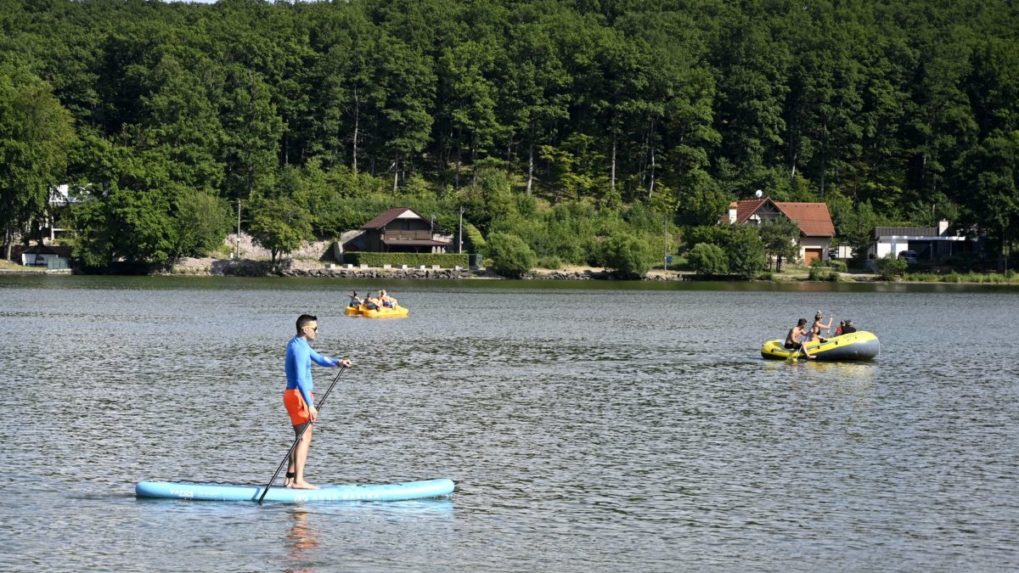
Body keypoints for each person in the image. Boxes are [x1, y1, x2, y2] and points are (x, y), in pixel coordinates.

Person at [283, 314, 351, 489]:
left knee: (300, 437)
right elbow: (299, 379)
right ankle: (298, 481)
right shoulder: (299, 349)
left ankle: (290, 478)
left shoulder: (299, 344)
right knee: (304, 438)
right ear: (305, 329)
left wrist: (338, 362)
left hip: (296, 396)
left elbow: (319, 358)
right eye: (315, 329)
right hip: (299, 396)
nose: (317, 331)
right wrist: (310, 405)